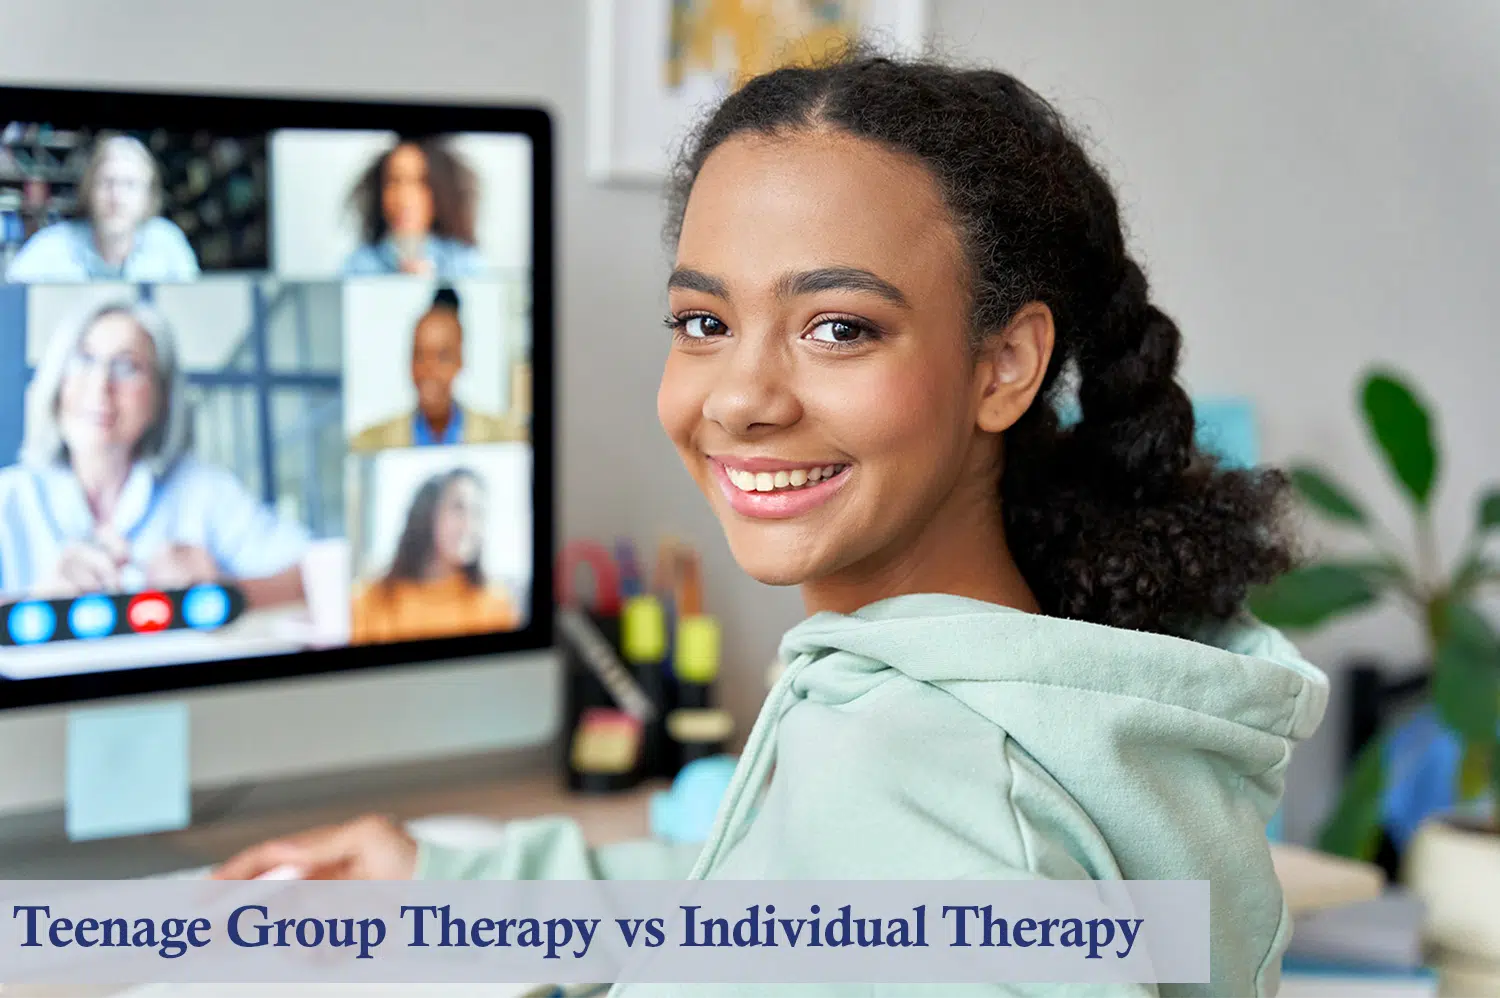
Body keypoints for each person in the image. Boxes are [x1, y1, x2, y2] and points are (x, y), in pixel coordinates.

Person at [215, 52, 1329, 997]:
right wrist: (441, 884)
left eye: (837, 327)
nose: (739, 396)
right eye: (704, 320)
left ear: (1005, 366)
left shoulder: (940, 803)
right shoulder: (960, 696)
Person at [0, 299, 307, 606]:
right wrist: (33, 607)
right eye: (83, 360)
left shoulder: (204, 491)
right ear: (57, 381)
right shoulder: (9, 497)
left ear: (162, 397)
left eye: (127, 366)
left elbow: (312, 571)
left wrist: (221, 593)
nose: (100, 385)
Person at [349, 467, 520, 644]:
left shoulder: (497, 604)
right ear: (426, 515)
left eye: (478, 513)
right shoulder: (369, 601)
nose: (470, 525)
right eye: (458, 508)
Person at [348, 286, 527, 450]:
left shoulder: (508, 439)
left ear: (460, 361)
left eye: (442, 357)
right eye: (419, 355)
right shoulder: (367, 443)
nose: (428, 370)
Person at [4, 134, 201, 283]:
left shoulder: (167, 243)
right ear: (89, 191)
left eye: (129, 184)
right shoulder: (50, 247)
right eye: (107, 183)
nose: (116, 196)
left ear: (148, 196)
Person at [342, 137, 486, 278]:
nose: (404, 197)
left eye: (419, 182)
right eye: (394, 182)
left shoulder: (465, 264)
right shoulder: (358, 266)